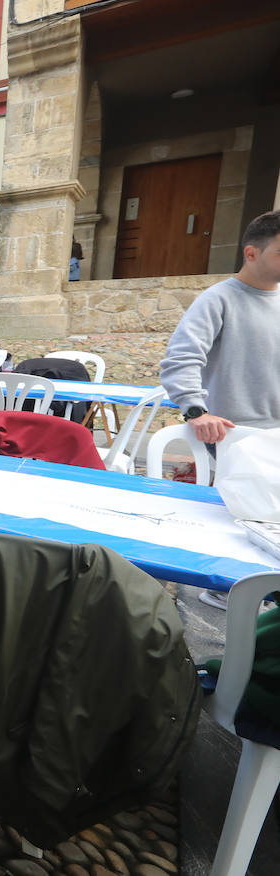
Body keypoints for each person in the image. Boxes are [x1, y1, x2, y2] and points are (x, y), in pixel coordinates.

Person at [160, 210, 280, 609]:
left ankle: (261, 589)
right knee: (249, 521)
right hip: (236, 435)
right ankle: (228, 588)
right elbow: (181, 358)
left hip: (277, 432)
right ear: (251, 252)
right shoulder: (219, 299)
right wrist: (196, 409)